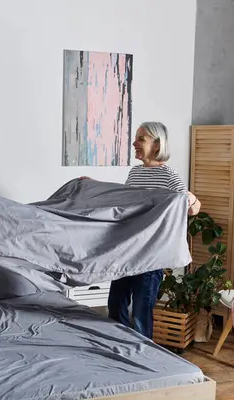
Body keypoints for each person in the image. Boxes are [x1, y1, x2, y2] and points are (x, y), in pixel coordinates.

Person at [81, 121, 201, 339]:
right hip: (128, 253)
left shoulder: (169, 176)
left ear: (157, 145)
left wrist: (191, 199)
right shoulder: (135, 173)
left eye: (141, 139)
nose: (135, 143)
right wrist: (95, 185)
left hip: (150, 256)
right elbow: (124, 201)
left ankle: (144, 357)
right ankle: (121, 348)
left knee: (140, 313)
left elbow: (193, 209)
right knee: (116, 304)